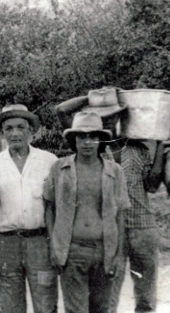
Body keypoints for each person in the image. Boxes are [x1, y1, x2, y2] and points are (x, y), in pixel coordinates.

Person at [56, 88, 165, 312]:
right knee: (109, 296)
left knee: (146, 296)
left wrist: (161, 145)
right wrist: (94, 98)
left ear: (120, 117)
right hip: (109, 230)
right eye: (101, 116)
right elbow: (61, 111)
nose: (106, 120)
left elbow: (152, 186)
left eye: (112, 115)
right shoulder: (91, 149)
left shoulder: (138, 148)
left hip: (142, 226)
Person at [44, 111, 131, 313]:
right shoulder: (60, 168)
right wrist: (53, 246)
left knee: (102, 308)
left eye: (93, 136)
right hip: (72, 250)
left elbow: (120, 215)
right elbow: (49, 208)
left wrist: (118, 255)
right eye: (82, 136)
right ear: (74, 139)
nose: (87, 142)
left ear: (100, 140)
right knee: (76, 310)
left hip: (104, 251)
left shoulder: (114, 171)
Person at [0, 105, 58, 313]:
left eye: (20, 127)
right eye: (9, 128)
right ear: (2, 132)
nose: (15, 133)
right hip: (7, 244)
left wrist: (56, 245)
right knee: (10, 307)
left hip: (40, 242)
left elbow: (55, 207)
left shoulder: (49, 161)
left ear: (31, 130)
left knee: (45, 304)